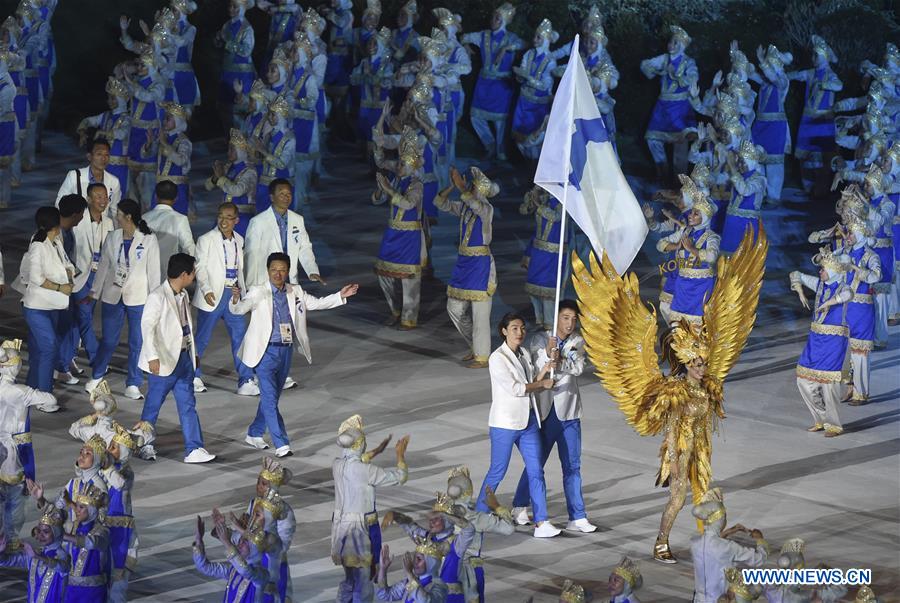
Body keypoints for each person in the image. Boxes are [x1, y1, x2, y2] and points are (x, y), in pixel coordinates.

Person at [570, 222, 767, 562]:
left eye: (704, 363)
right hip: (680, 450)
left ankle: (714, 542)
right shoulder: (672, 391)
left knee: (705, 492)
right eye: (697, 364)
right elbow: (671, 428)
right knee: (677, 497)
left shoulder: (709, 384)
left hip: (701, 446)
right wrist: (675, 463)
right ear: (685, 363)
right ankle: (661, 540)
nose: (702, 368)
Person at [230, 252, 358, 457]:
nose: (277, 274)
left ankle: (254, 433)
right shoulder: (258, 291)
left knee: (271, 398)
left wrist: (340, 295)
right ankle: (282, 444)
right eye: (273, 270)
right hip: (264, 353)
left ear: (288, 271)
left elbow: (316, 303)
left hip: (286, 351)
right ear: (268, 270)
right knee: (270, 399)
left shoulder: (295, 291)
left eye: (281, 270)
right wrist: (236, 299)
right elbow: (239, 310)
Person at [511, 300, 597, 533]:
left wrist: (560, 360)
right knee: (536, 463)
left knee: (573, 465)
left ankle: (577, 516)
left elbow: (578, 368)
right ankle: (519, 505)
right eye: (566, 318)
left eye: (573, 319)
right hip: (546, 412)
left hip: (569, 412)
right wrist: (548, 355)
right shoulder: (540, 339)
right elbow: (538, 368)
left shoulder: (578, 341)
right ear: (557, 318)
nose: (570, 323)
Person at [475, 313, 559, 538]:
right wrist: (541, 382)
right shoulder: (497, 358)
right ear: (504, 331)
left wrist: (546, 367)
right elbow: (517, 388)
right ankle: (478, 514)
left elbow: (532, 381)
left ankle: (541, 522)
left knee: (536, 470)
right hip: (505, 424)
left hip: (529, 420)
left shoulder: (523, 353)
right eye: (514, 328)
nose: (519, 332)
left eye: (522, 328)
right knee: (497, 471)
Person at [138, 253, 215, 464]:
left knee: (188, 405)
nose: (194, 277)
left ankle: (194, 448)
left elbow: (187, 328)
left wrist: (194, 354)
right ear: (184, 274)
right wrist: (152, 357)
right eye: (193, 272)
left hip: (184, 360)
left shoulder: (183, 295)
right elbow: (147, 328)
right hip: (162, 361)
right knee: (153, 406)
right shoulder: (157, 296)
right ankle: (144, 444)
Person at [86, 199, 160, 400]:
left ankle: (134, 383)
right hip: (113, 294)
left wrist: (155, 300)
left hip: (138, 297)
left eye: (118, 214)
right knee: (109, 340)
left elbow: (154, 272)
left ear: (128, 216)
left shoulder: (148, 239)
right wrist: (94, 292)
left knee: (137, 341)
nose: (115, 217)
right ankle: (97, 375)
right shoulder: (113, 237)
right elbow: (103, 266)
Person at [332, 415, 410, 603]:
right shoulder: (366, 471)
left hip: (341, 529)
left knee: (349, 580)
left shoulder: (336, 464)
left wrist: (378, 450)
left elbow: (356, 461)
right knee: (365, 582)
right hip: (361, 530)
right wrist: (400, 454)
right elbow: (401, 477)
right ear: (360, 444)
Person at [435, 167, 498, 368]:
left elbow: (475, 205)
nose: (470, 189)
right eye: (469, 186)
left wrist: (462, 187)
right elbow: (439, 203)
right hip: (463, 264)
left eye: (473, 186)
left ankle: (482, 356)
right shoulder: (464, 207)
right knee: (453, 308)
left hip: (480, 266)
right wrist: (452, 186)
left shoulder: (486, 209)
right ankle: (475, 345)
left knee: (480, 314)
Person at [192, 202, 256, 395]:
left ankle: (246, 380)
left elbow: (240, 268)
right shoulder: (206, 239)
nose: (223, 220)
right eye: (220, 216)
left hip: (233, 295)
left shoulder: (239, 239)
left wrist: (243, 293)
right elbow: (200, 267)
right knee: (201, 339)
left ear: (236, 220)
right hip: (212, 295)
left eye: (228, 217)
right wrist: (206, 289)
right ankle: (193, 376)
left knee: (240, 338)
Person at [0, 339, 58, 549]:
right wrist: (33, 394)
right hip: (15, 446)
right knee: (16, 497)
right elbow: (50, 400)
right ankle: (12, 539)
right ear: (13, 366)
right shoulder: (20, 392)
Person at [790, 249, 852, 437]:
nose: (820, 272)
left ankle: (834, 425)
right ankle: (821, 419)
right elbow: (795, 274)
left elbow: (848, 295)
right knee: (803, 380)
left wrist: (828, 303)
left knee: (829, 385)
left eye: (823, 269)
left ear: (833, 270)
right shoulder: (820, 285)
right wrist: (799, 290)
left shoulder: (842, 287)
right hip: (815, 340)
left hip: (834, 343)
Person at [373, 125, 426, 329]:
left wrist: (387, 189)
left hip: (409, 236)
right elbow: (378, 199)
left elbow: (408, 203)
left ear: (412, 166)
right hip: (392, 233)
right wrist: (380, 191)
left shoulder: (416, 185)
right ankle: (395, 309)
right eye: (400, 163)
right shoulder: (396, 179)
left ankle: (409, 317)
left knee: (409, 281)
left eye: (403, 163)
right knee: (384, 274)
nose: (399, 166)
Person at [60, 184, 113, 378]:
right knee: (84, 318)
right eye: (98, 196)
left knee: (76, 321)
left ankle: (65, 362)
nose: (102, 200)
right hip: (79, 276)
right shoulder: (78, 220)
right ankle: (96, 358)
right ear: (89, 199)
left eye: (105, 196)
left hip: (98, 278)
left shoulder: (109, 223)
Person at [22, 206, 74, 394]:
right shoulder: (38, 245)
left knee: (38, 351)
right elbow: (36, 277)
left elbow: (67, 263)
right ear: (56, 223)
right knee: (49, 347)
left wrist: (69, 274)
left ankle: (31, 389)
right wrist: (61, 287)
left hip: (54, 306)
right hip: (37, 308)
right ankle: (44, 394)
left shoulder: (56, 242)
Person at [462, 3, 522, 161]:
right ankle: (489, 144)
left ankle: (501, 153)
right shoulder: (483, 35)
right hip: (484, 83)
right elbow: (464, 37)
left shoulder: (511, 38)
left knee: (500, 122)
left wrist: (506, 48)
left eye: (497, 18)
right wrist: (467, 47)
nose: (493, 20)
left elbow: (524, 44)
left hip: (501, 84)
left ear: (504, 21)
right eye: (493, 17)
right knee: (475, 117)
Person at [444, 468, 514, 603]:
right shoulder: (476, 518)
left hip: (446, 568)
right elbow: (509, 528)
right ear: (469, 494)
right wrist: (496, 506)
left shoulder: (440, 517)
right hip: (470, 573)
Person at [656, 177, 720, 324]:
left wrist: (692, 249)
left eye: (696, 214)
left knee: (696, 323)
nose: (690, 216)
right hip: (682, 282)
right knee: (673, 317)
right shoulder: (685, 232)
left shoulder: (711, 237)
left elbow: (711, 257)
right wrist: (677, 246)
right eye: (691, 213)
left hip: (700, 286)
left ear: (704, 217)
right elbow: (660, 244)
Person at [641, 25, 699, 184]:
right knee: (652, 138)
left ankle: (679, 180)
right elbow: (646, 64)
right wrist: (654, 70)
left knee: (680, 142)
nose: (670, 45)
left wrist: (676, 75)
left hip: (680, 106)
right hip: (663, 105)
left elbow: (693, 78)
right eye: (670, 42)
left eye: (674, 42)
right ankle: (662, 171)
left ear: (681, 44)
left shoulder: (689, 62)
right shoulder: (664, 58)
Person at [690, 488, 767, 602]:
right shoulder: (729, 547)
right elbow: (759, 559)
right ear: (721, 520)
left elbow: (711, 544)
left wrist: (729, 531)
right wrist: (760, 540)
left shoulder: (695, 542)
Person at [244, 178, 323, 287]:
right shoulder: (258, 222)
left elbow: (304, 247)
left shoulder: (298, 219)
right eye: (282, 194)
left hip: (289, 280)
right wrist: (251, 286)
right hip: (265, 281)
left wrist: (312, 271)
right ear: (272, 197)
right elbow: (251, 255)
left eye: (288, 194)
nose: (286, 197)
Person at [789, 35, 843, 194]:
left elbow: (839, 85)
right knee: (805, 155)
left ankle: (820, 189)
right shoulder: (810, 73)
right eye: (812, 55)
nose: (813, 58)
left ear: (824, 57)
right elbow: (795, 75)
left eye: (816, 55)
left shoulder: (830, 74)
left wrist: (823, 84)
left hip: (822, 121)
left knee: (821, 156)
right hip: (808, 119)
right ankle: (807, 188)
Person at [840, 216, 881, 405]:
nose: (847, 236)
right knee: (848, 350)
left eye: (850, 233)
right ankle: (850, 386)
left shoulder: (871, 256)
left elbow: (875, 276)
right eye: (847, 232)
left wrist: (855, 268)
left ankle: (861, 392)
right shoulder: (845, 253)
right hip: (847, 308)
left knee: (860, 353)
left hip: (863, 309)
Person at [75, 77, 132, 200]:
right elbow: (88, 121)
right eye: (109, 98)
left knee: (116, 197)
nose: (109, 101)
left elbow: (122, 133)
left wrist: (103, 132)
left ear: (121, 99)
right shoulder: (105, 115)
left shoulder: (127, 119)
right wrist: (82, 132)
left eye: (113, 98)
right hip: (101, 164)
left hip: (119, 167)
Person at [192, 515, 270, 603]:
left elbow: (246, 571)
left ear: (253, 547)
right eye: (239, 542)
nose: (239, 545)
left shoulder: (262, 574)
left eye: (243, 542)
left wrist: (226, 542)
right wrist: (199, 540)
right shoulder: (233, 571)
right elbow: (204, 567)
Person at [749, 45, 792, 203]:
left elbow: (774, 77)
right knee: (758, 159)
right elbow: (751, 73)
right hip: (760, 125)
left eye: (770, 63)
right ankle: (762, 193)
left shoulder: (782, 81)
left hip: (775, 126)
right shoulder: (765, 83)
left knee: (774, 163)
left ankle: (774, 196)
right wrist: (736, 56)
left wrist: (761, 61)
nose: (767, 67)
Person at [510, 19, 557, 161]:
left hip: (538, 105)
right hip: (523, 101)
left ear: (546, 40)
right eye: (535, 36)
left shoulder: (550, 60)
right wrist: (520, 76)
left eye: (538, 37)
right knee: (518, 136)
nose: (534, 40)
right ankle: (527, 166)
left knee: (534, 138)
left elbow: (545, 85)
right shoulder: (529, 54)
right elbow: (522, 72)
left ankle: (535, 168)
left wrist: (528, 78)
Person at [0, 506, 68, 603]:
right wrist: (1, 552)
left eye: (46, 532)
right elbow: (7, 561)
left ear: (56, 533)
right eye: (39, 531)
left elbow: (63, 567)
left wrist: (38, 557)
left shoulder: (63, 556)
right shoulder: (35, 554)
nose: (40, 535)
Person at [53, 194, 87, 384]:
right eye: (82, 213)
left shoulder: (67, 230)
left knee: (72, 325)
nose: (83, 217)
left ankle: (65, 362)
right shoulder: (56, 232)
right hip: (57, 290)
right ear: (75, 214)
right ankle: (60, 367)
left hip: (68, 286)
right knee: (63, 328)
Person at [206, 129, 257, 233]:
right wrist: (216, 177)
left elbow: (237, 191)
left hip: (241, 219)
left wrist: (221, 177)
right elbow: (207, 186)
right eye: (229, 149)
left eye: (232, 149)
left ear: (240, 150)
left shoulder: (250, 171)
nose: (228, 152)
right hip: (225, 216)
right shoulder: (229, 167)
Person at [55, 138, 122, 217]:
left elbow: (115, 211)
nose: (103, 158)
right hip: (77, 226)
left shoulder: (114, 181)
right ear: (89, 156)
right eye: (99, 154)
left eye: (106, 155)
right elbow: (59, 203)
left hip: (101, 227)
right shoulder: (74, 176)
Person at [147, 102, 192, 216]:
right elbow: (150, 155)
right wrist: (149, 143)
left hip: (177, 189)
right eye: (165, 118)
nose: (164, 121)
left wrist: (164, 143)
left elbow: (181, 160)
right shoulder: (163, 138)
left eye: (168, 118)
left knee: (176, 222)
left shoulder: (184, 141)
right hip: (160, 187)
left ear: (177, 121)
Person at [253, 94, 295, 214]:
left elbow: (281, 164)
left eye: (273, 115)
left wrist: (263, 151)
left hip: (280, 187)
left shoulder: (290, 139)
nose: (269, 118)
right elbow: (259, 158)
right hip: (264, 186)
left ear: (281, 116)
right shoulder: (270, 134)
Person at [142, 179, 196, 275]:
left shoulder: (144, 218)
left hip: (145, 271)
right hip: (170, 272)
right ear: (176, 198)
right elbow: (189, 248)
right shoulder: (180, 219)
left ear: (155, 197)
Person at [217, 0, 256, 128]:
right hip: (227, 72)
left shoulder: (247, 28)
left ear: (243, 8)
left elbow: (246, 51)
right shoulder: (226, 25)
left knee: (241, 108)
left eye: (235, 6)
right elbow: (219, 44)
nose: (231, 9)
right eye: (230, 6)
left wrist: (227, 43)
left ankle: (242, 141)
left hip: (242, 74)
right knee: (225, 106)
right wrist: (217, 39)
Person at [375, 541, 449, 602]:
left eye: (419, 559)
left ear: (431, 563)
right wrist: (383, 569)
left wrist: (410, 574)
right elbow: (384, 595)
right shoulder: (408, 582)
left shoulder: (440, 587)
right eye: (414, 558)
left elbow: (426, 601)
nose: (414, 562)